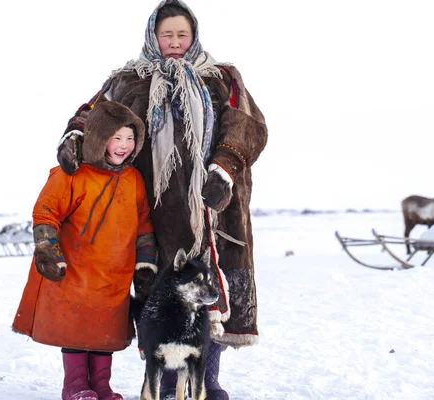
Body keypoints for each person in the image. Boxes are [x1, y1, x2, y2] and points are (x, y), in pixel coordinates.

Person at [56, 1, 268, 399]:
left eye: (182, 35)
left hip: (215, 207)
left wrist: (223, 168)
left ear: (194, 35)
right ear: (154, 36)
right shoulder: (128, 80)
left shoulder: (222, 78)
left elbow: (248, 125)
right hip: (153, 207)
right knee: (159, 289)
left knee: (210, 289)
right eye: (166, 34)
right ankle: (165, 380)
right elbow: (95, 113)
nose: (174, 42)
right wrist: (74, 136)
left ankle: (207, 378)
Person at [12, 101, 158, 400]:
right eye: (116, 138)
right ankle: (75, 386)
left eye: (130, 138)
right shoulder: (72, 174)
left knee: (105, 332)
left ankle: (101, 387)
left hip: (115, 274)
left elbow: (143, 224)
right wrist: (48, 249)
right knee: (77, 329)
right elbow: (46, 211)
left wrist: (145, 264)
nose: (124, 146)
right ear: (99, 137)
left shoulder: (134, 180)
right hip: (76, 269)